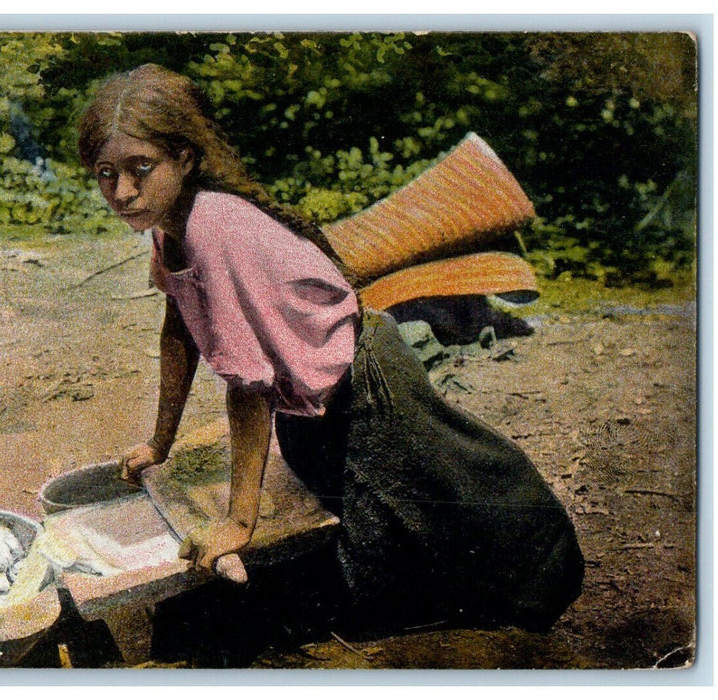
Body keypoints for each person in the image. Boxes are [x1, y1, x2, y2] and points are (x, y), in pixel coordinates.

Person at [78, 63, 584, 634]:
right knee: (356, 530)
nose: (122, 191)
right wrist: (159, 442)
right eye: (105, 174)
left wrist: (237, 525)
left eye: (140, 169)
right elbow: (178, 331)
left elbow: (249, 386)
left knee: (425, 548)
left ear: (185, 159)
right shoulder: (168, 225)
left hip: (369, 387)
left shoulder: (214, 225)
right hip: (311, 406)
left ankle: (542, 563)